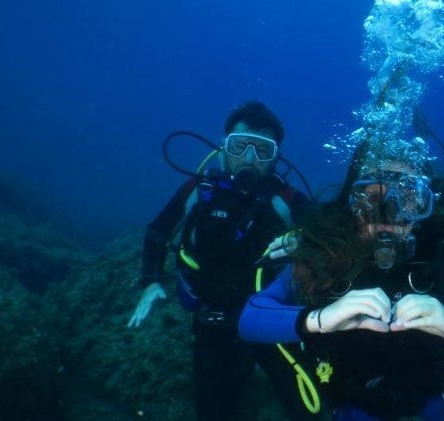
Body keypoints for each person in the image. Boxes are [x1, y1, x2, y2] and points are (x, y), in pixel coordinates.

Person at [239, 139, 444, 420]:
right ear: (352, 204)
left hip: (436, 393)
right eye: (373, 198)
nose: (389, 215)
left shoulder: (436, 256)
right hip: (357, 401)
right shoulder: (326, 253)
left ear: (425, 206)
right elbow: (250, 319)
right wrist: (321, 318)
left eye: (407, 198)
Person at [127, 101, 313, 420]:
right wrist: (150, 282)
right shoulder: (198, 190)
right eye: (240, 146)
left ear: (275, 158)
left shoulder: (287, 200)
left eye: (262, 151)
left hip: (274, 322)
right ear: (224, 147)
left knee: (309, 405)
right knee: (215, 408)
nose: (250, 160)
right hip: (213, 324)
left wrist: (309, 242)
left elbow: (332, 236)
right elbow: (158, 231)